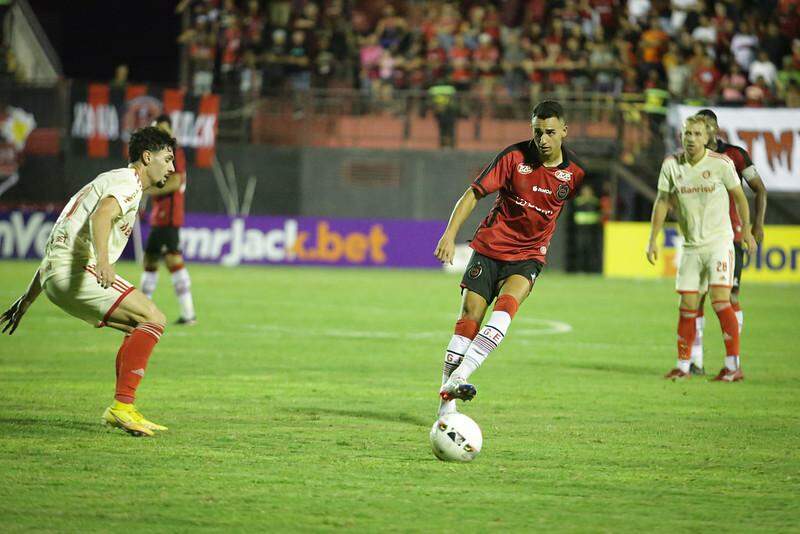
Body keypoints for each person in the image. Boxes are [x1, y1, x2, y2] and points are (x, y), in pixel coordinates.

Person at [0, 126, 176, 436]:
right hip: (78, 270)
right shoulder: (128, 182)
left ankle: (124, 407)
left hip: (54, 275)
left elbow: (58, 245)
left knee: (140, 326)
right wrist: (104, 263)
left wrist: (26, 300)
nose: (172, 167)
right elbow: (102, 216)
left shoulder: (109, 180)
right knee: (153, 318)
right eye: (168, 158)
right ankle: (121, 407)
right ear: (147, 157)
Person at [434, 100, 588, 416]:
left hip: (528, 256)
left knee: (505, 312)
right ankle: (445, 409)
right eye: (537, 132)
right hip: (490, 249)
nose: (543, 140)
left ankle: (461, 377)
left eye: (549, 132)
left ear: (564, 132)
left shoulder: (574, 175)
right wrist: (449, 235)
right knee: (468, 321)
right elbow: (473, 194)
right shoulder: (514, 157)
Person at [647, 115, 757, 382]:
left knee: (721, 301)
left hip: (719, 243)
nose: (691, 139)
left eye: (697, 134)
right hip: (691, 246)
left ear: (707, 138)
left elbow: (741, 198)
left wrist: (748, 231)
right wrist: (653, 239)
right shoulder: (672, 165)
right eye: (687, 134)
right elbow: (662, 201)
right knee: (687, 305)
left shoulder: (721, 164)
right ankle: (683, 366)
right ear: (681, 136)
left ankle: (733, 366)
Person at [689, 109, 767, 375]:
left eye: (708, 126)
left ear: (715, 129)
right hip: (699, 238)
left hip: (729, 237)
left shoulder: (734, 155)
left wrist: (754, 226)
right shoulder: (690, 159)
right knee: (696, 297)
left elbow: (759, 190)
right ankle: (695, 361)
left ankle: (732, 360)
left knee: (730, 296)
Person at [140, 114, 197, 325]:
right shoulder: (160, 153)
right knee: (158, 260)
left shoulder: (175, 152)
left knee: (163, 259)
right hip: (161, 215)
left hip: (169, 214)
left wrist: (145, 190)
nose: (161, 134)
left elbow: (174, 182)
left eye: (164, 130)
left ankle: (148, 311)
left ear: (171, 131)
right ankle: (147, 310)